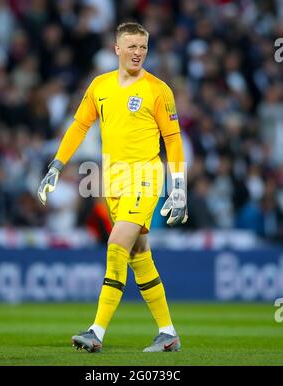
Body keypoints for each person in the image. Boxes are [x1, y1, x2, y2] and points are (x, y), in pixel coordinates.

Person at [38, 22, 188, 353]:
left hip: (146, 176)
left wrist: (179, 188)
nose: (138, 53)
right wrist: (57, 165)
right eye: (131, 46)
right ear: (116, 48)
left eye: (143, 47)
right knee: (138, 254)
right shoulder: (100, 86)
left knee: (116, 244)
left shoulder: (158, 89)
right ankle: (168, 333)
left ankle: (96, 331)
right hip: (113, 181)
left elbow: (173, 141)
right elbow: (79, 125)